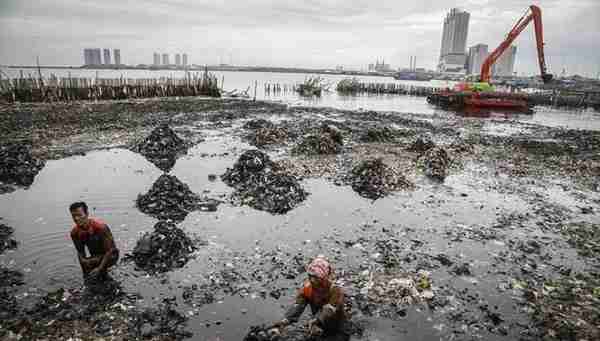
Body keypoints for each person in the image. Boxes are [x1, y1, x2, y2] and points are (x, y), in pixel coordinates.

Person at [273, 256, 350, 341]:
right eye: (310, 276)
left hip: (338, 328)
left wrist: (316, 320)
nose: (312, 280)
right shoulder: (307, 289)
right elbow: (298, 306)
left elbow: (330, 309)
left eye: (316, 277)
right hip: (318, 325)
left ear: (323, 277)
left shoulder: (335, 290)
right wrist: (284, 321)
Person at [69, 202, 119, 280]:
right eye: (74, 216)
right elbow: (80, 252)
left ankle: (103, 272)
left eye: (79, 215)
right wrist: (85, 272)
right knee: (87, 264)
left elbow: (110, 250)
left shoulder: (100, 228)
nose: (76, 218)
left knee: (94, 265)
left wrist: (99, 269)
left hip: (111, 256)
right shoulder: (74, 233)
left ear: (87, 214)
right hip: (95, 256)